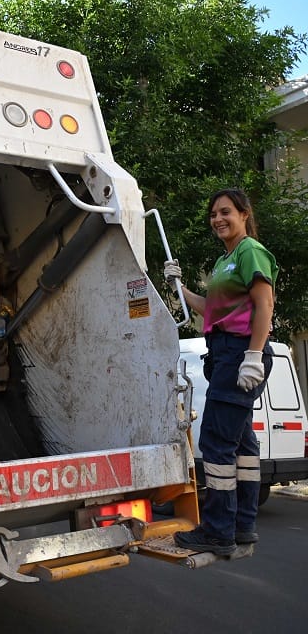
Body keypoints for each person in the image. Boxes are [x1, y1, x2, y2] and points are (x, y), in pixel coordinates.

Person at [164, 188, 277, 556]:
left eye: (225, 212)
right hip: (226, 352)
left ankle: (217, 531)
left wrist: (254, 356)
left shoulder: (250, 251)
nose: (218, 219)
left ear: (244, 214)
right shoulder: (225, 260)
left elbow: (265, 306)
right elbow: (209, 311)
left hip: (240, 353)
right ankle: (242, 528)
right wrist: (177, 288)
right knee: (242, 445)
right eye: (213, 214)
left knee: (215, 443)